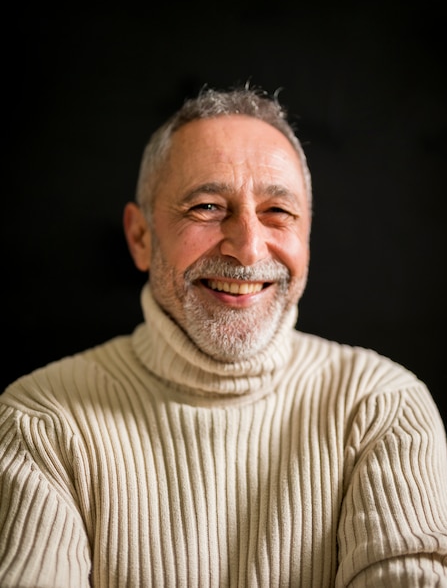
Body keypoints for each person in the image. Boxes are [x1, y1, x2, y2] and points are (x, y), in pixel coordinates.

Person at [1, 84, 446, 588]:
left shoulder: (382, 407)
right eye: (208, 207)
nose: (248, 248)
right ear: (141, 236)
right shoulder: (41, 421)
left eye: (279, 211)